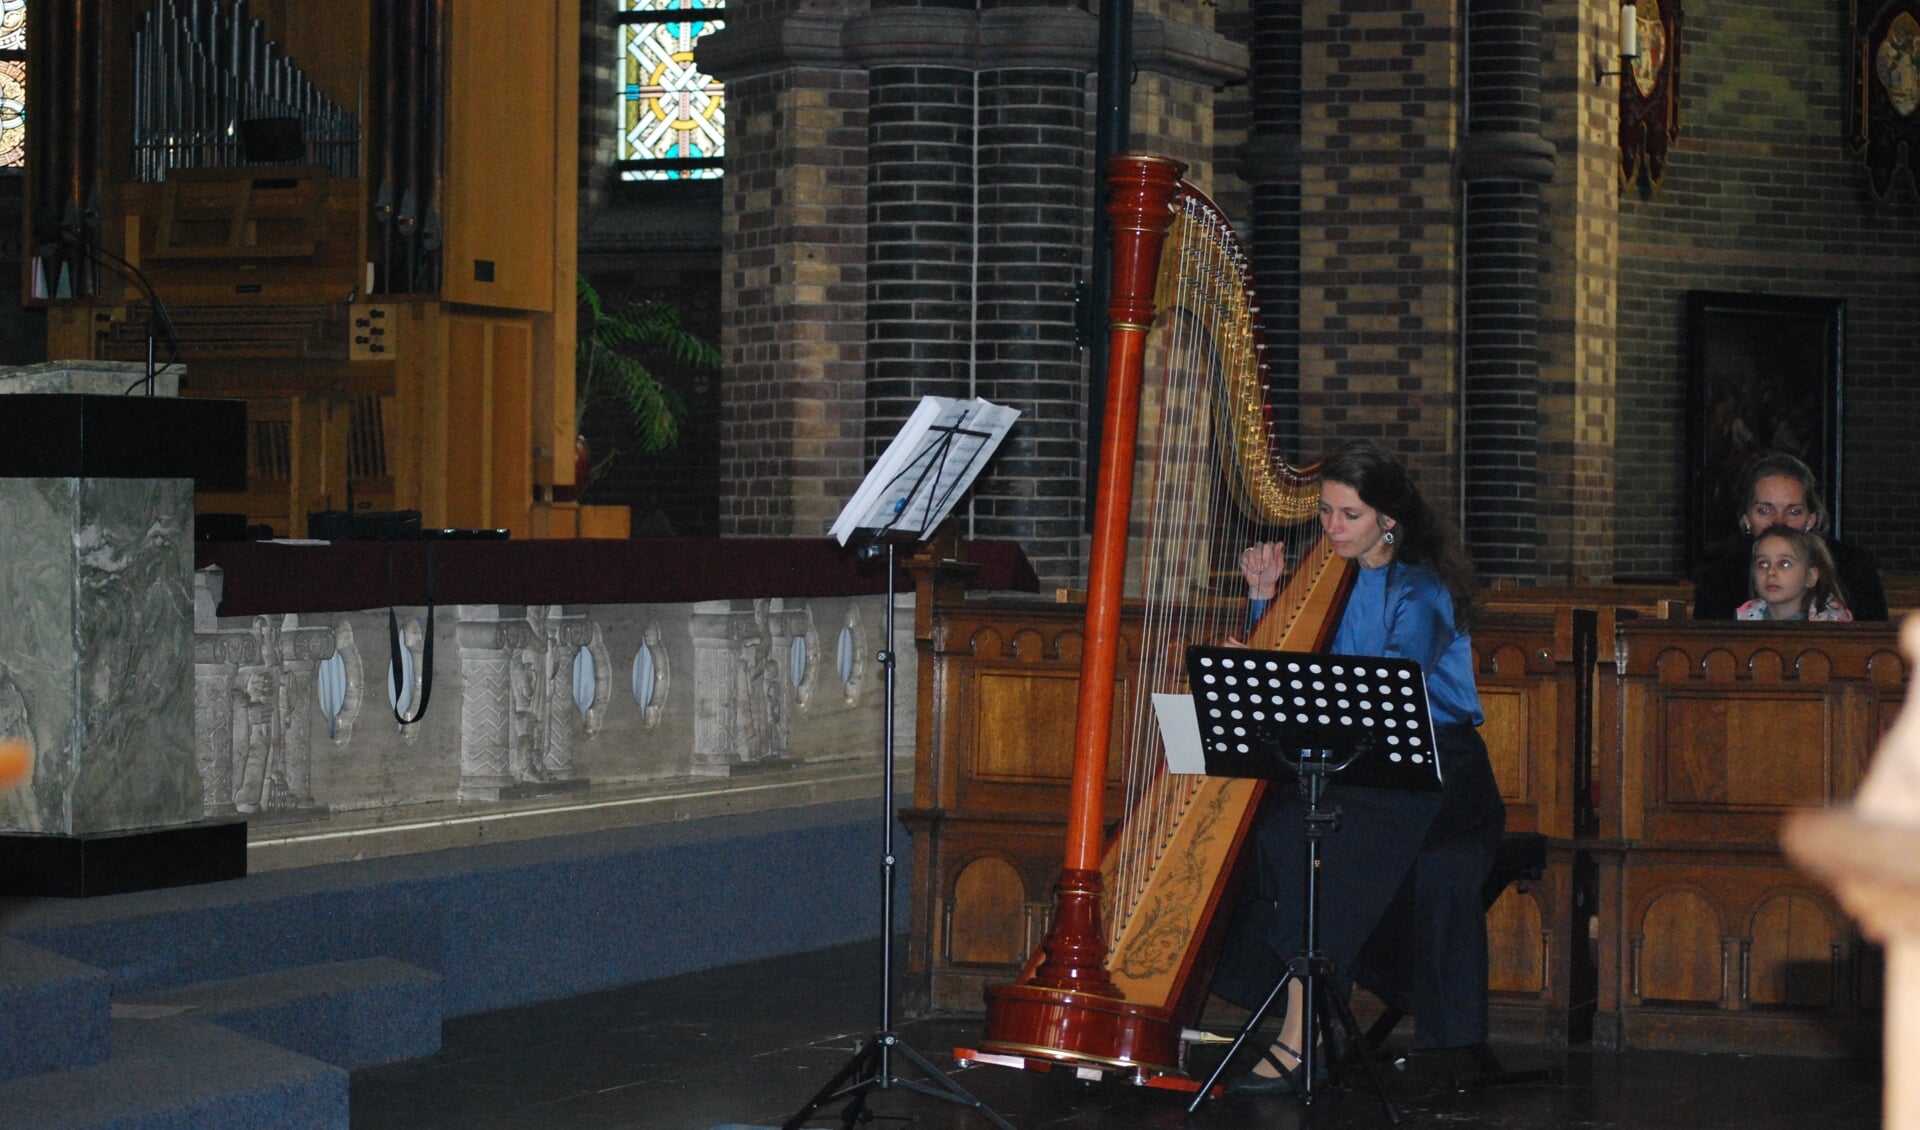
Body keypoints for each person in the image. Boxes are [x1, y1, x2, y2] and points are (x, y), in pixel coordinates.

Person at [1210, 442, 1505, 1093]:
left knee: (1311, 841)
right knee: (1280, 835)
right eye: (1324, 513)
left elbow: (1384, 687)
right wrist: (1262, 600)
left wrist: (1280, 677)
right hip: (1359, 767)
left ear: (1388, 520)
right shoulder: (1328, 579)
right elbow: (1301, 663)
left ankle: (1301, 1037)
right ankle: (1305, 1024)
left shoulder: (1421, 592)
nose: (1332, 528)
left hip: (1439, 772)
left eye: (1349, 515)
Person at [1692, 454, 1887, 621]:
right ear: (1746, 519)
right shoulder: (1719, 574)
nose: (1779, 522)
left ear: (1812, 519)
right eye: (1765, 510)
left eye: (1793, 511)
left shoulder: (1853, 568)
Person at [1737, 527, 1853, 622]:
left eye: (1784, 564)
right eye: (1763, 564)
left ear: (1810, 577)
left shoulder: (1830, 626)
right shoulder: (1744, 619)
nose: (1771, 572)